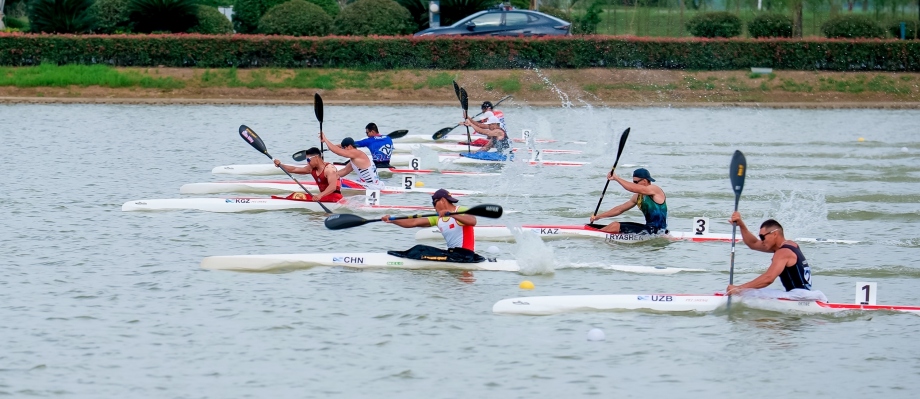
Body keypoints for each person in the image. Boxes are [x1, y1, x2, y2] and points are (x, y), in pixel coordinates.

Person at [725, 214, 828, 301]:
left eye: (762, 237)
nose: (761, 240)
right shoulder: (791, 245)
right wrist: (741, 225)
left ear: (774, 234)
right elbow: (753, 243)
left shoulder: (783, 253)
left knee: (750, 293)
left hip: (799, 297)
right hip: (801, 295)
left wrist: (739, 289)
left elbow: (768, 279)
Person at [380, 189, 483, 263]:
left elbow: (473, 221)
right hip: (453, 254)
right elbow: (413, 222)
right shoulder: (438, 218)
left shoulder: (460, 210)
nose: (434, 207)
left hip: (465, 255)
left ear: (442, 200)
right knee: (419, 249)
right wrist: (393, 220)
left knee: (419, 249)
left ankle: (402, 258)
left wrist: (452, 215)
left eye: (434, 203)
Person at [589, 168, 668, 235]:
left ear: (644, 181)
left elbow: (632, 188)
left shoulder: (655, 190)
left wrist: (616, 178)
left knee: (615, 226)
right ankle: (595, 232)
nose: (634, 184)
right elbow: (620, 209)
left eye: (636, 182)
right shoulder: (637, 197)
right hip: (648, 228)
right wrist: (599, 217)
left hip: (658, 231)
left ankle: (594, 235)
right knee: (614, 225)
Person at [320, 131, 385, 191]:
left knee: (339, 182)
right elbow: (345, 171)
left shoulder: (356, 153)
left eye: (344, 148)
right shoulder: (355, 159)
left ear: (350, 146)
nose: (343, 150)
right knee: (337, 179)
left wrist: (325, 140)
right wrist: (328, 177)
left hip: (372, 187)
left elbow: (338, 152)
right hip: (370, 184)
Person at [273, 147, 342, 202]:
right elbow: (294, 169)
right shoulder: (311, 168)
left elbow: (333, 187)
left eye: (308, 160)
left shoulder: (329, 169)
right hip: (324, 197)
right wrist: (280, 165)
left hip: (335, 198)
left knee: (297, 195)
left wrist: (319, 196)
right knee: (297, 195)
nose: (307, 163)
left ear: (316, 158)